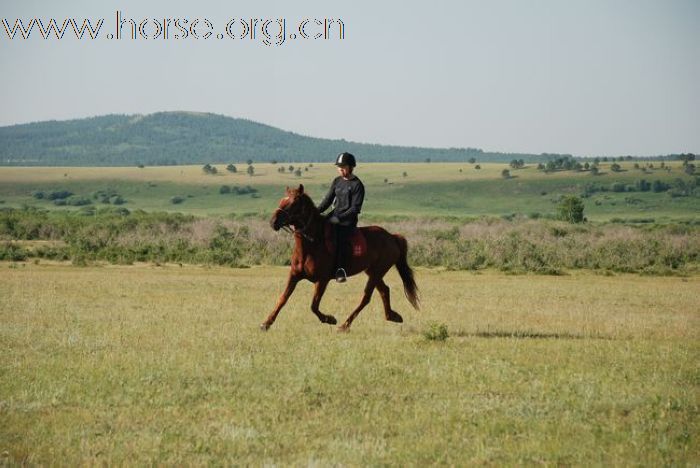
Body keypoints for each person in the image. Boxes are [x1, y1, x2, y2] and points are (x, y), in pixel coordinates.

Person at [317, 152, 365, 282]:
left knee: (340, 241)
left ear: (351, 167)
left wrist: (339, 219)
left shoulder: (357, 185)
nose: (340, 169)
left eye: (343, 167)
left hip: (347, 222)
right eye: (339, 167)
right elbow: (327, 200)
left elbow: (355, 209)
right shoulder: (337, 181)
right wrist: (315, 212)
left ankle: (340, 270)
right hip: (333, 216)